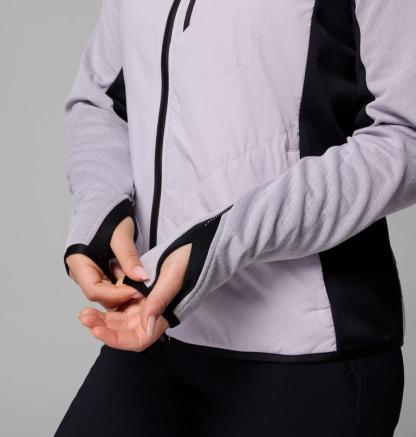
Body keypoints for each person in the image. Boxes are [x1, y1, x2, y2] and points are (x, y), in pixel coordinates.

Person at [55, 0, 416, 435]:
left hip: (309, 347)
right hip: (155, 327)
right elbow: (101, 101)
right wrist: (100, 211)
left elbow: (405, 133)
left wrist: (223, 242)